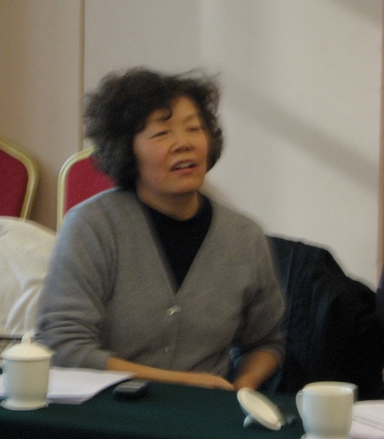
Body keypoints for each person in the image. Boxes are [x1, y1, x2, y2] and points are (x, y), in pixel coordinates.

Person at [36, 67, 285, 391]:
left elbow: (267, 341)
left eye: (194, 129)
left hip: (206, 412)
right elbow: (62, 345)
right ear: (126, 149)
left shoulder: (244, 237)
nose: (184, 143)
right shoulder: (92, 226)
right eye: (162, 133)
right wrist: (183, 382)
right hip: (105, 408)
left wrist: (245, 384)